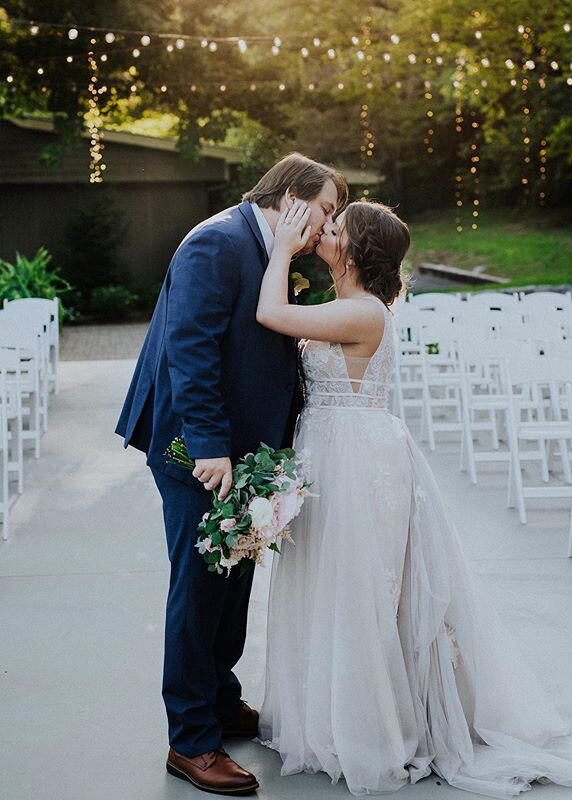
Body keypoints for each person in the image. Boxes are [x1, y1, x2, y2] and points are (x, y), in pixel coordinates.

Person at [255, 200, 572, 798]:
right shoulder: (350, 305)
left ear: (358, 251)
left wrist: (282, 247)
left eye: (335, 228)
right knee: (332, 584)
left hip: (357, 461)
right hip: (335, 451)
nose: (324, 231)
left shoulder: (363, 313)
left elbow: (268, 314)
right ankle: (335, 715)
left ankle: (372, 730)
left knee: (360, 591)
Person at [115, 153, 347, 795]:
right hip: (201, 452)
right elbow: (190, 349)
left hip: (250, 450)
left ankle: (219, 697)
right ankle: (190, 741)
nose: (328, 224)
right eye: (326, 209)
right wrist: (211, 446)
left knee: (234, 574)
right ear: (292, 199)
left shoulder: (273, 252)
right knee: (199, 587)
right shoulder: (216, 243)